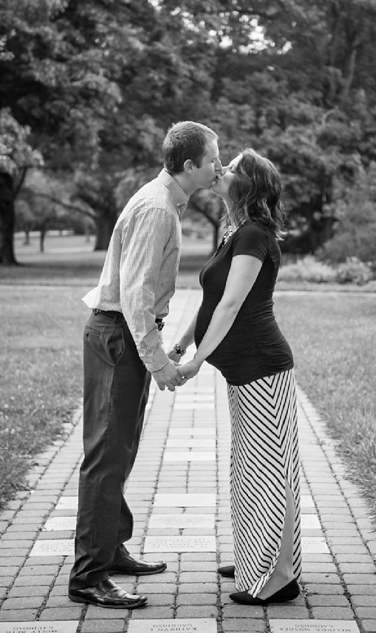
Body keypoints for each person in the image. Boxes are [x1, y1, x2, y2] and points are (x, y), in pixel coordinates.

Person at [69, 121, 222, 609]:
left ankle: (111, 551)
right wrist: (158, 363)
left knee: (120, 450)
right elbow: (135, 296)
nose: (220, 166)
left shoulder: (166, 203)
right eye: (214, 158)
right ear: (190, 165)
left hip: (119, 334)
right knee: (107, 456)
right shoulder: (158, 209)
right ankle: (88, 577)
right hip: (118, 336)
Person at [172, 149, 302, 606]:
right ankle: (254, 558)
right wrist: (184, 342)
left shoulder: (253, 234)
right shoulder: (234, 232)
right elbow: (210, 299)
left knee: (268, 473)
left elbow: (231, 306)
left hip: (262, 367)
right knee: (248, 469)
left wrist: (195, 362)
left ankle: (274, 580)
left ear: (246, 186)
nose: (221, 170)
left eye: (232, 168)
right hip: (243, 371)